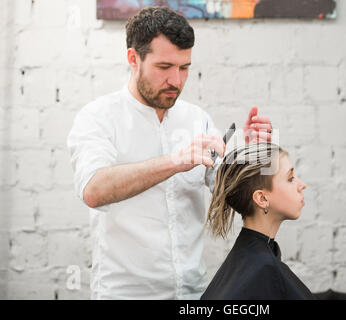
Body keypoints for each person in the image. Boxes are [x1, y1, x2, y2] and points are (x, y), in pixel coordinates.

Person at [66, 6, 273, 299]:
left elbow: (237, 198)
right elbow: (93, 190)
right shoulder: (98, 117)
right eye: (164, 68)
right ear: (133, 59)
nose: (176, 81)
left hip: (193, 295)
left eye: (184, 68)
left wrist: (253, 158)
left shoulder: (197, 119)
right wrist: (175, 162)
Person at [201, 143, 315, 300]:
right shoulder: (264, 269)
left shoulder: (254, 261)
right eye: (290, 179)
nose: (302, 185)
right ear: (262, 199)